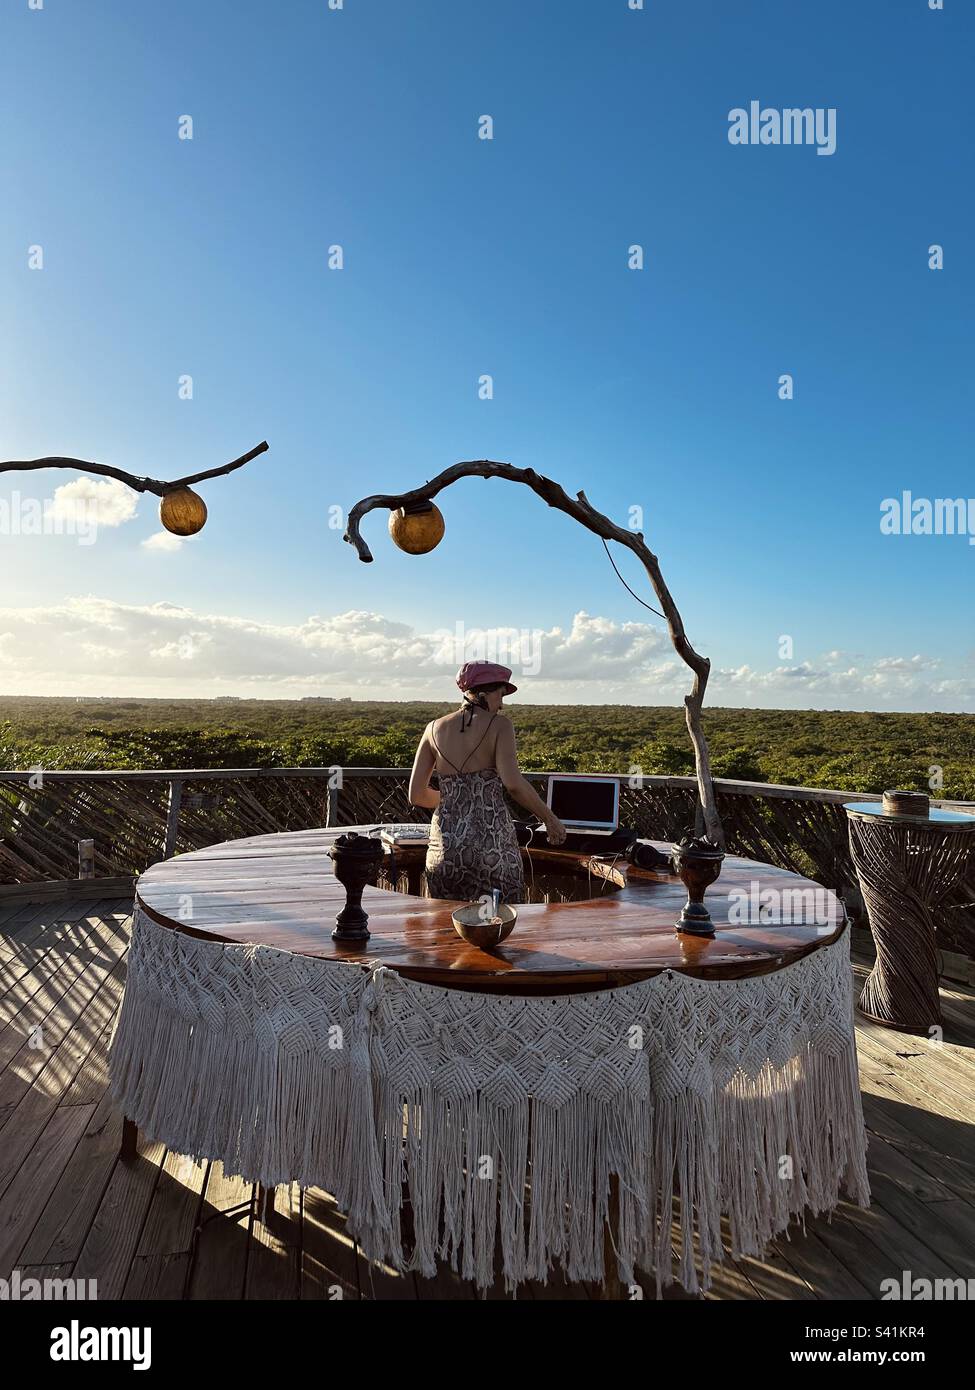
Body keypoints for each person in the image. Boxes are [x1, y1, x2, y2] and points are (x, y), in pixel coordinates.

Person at [409, 661, 567, 903]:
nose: (501, 704)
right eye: (500, 695)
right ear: (484, 693)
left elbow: (417, 795)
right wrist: (550, 819)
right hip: (492, 851)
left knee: (446, 921)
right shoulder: (500, 725)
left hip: (445, 852)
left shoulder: (432, 728)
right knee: (500, 920)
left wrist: (455, 798)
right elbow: (513, 784)